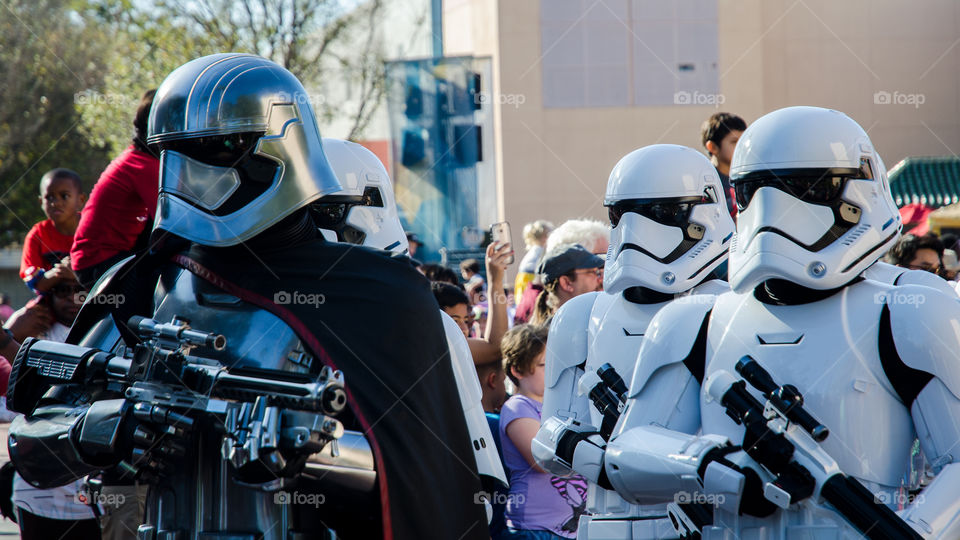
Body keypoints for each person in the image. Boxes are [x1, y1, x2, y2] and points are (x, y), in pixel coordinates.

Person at [9, 53, 489, 540]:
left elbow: (426, 478)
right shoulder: (145, 284)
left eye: (214, 153)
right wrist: (101, 428)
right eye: (178, 155)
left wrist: (315, 452)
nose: (192, 178)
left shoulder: (380, 295)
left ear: (278, 149)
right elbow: (31, 445)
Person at [536, 106, 960, 539]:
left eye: (803, 187)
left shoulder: (908, 308)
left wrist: (919, 529)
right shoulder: (698, 320)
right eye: (758, 189)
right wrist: (706, 464)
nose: (775, 207)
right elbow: (629, 451)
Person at [536, 144, 735, 539]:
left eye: (658, 213)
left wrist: (638, 458)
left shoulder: (726, 308)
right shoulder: (584, 314)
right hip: (600, 521)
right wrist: (595, 455)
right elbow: (548, 440)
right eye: (620, 214)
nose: (635, 228)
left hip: (692, 521)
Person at [9, 280, 100, 540]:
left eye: (80, 289)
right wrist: (10, 334)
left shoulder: (108, 334)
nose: (72, 298)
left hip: (94, 500)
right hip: (36, 496)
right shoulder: (31, 336)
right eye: (62, 290)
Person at [500, 324, 585, 539]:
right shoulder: (517, 407)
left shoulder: (561, 405)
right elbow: (542, 460)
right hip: (534, 528)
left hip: (569, 529)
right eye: (543, 365)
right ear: (517, 370)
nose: (553, 370)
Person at [71, 89, 160, 290]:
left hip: (103, 255)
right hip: (98, 262)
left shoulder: (136, 158)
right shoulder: (144, 166)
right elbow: (170, 221)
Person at [20, 168, 86, 293]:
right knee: (24, 314)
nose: (55, 202)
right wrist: (60, 272)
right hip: (52, 305)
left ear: (81, 200)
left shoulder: (96, 229)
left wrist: (78, 271)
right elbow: (35, 284)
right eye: (49, 197)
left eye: (64, 196)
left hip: (92, 300)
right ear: (41, 202)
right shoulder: (37, 234)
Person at [529, 244, 604, 326]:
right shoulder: (550, 335)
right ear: (566, 283)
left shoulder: (592, 323)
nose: (600, 279)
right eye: (594, 272)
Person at [701, 112, 746, 218]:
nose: (741, 147)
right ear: (713, 147)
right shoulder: (704, 185)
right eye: (734, 142)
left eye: (743, 141)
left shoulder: (745, 180)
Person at [515, 220, 554, 301]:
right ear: (545, 237)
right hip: (530, 281)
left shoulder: (534, 251)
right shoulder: (541, 252)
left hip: (525, 281)